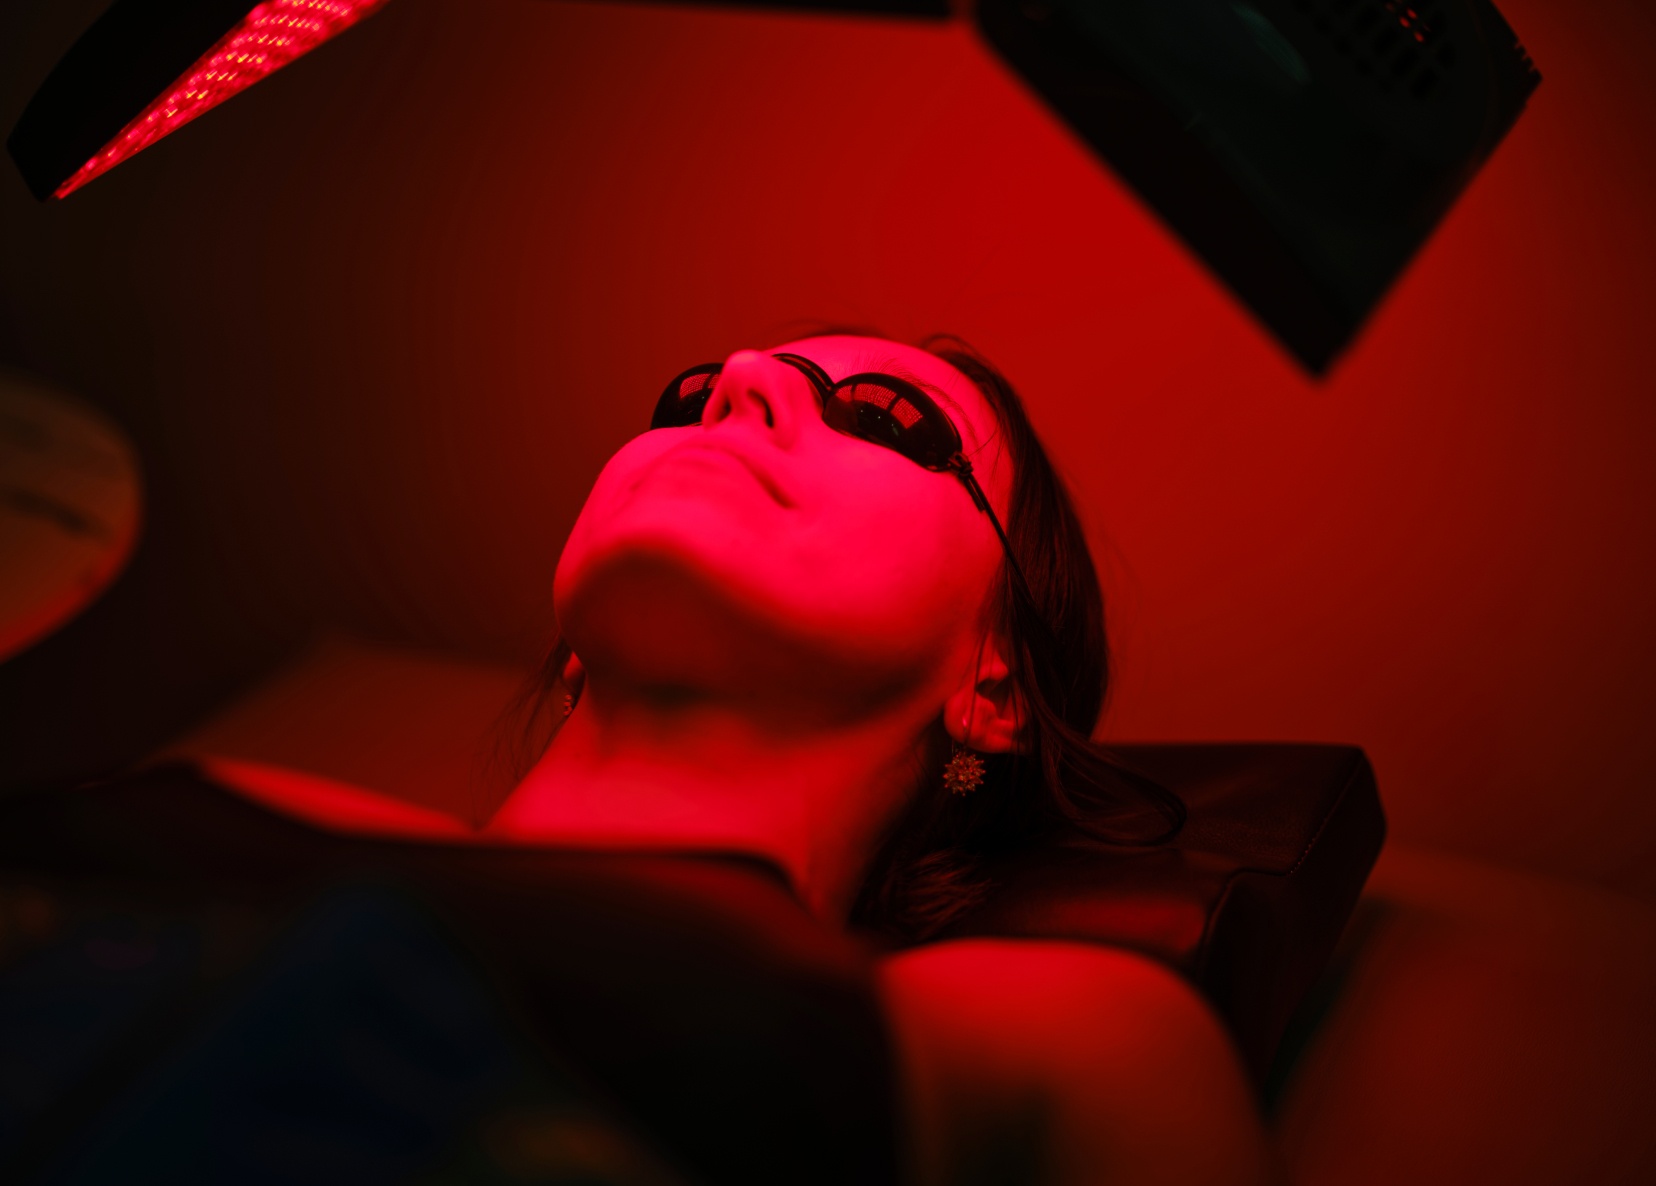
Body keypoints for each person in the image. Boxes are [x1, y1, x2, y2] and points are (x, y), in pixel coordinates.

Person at [478, 333, 1280, 1185]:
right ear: (572, 653)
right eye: (687, 400)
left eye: (886, 419)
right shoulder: (351, 835)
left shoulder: (1055, 1056)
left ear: (995, 686)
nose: (740, 378)